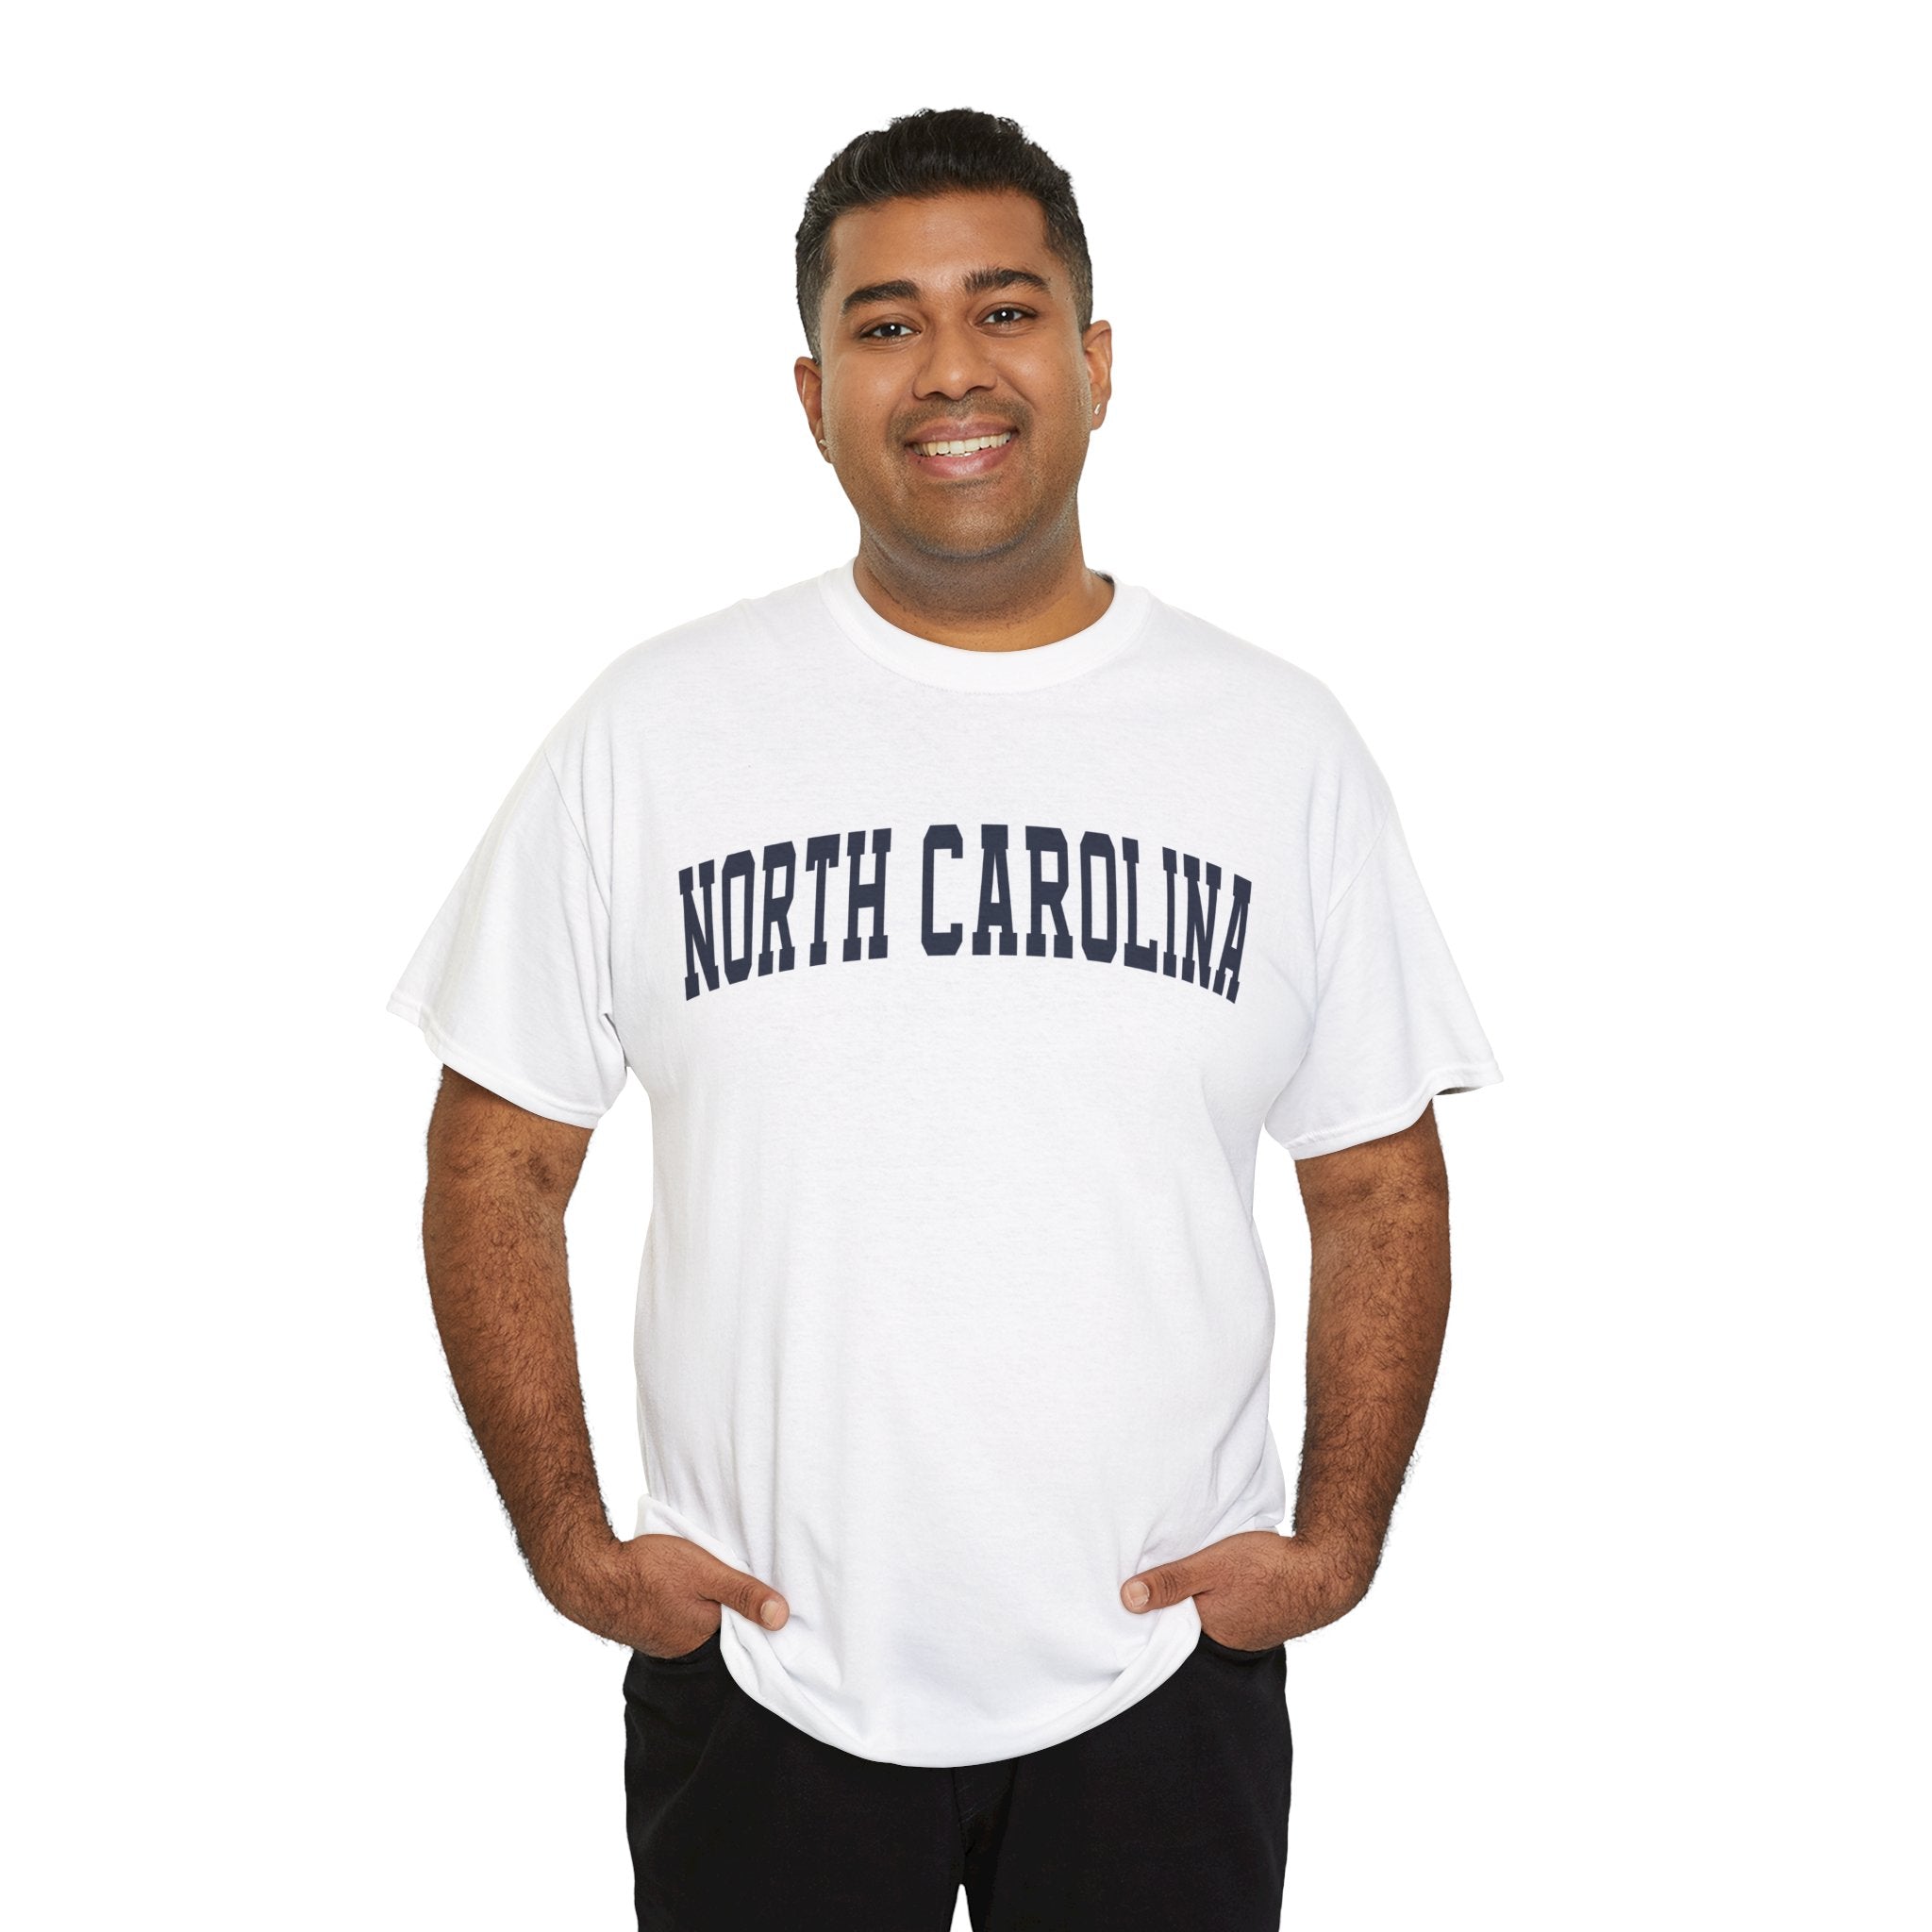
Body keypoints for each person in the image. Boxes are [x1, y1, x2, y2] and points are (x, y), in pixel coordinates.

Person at [388, 105, 1503, 1932]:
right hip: (762, 1668)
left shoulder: (1274, 743)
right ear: (812, 386)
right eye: (888, 323)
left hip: (1159, 1668)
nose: (950, 368)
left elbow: (1378, 1182)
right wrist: (574, 1545)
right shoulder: (652, 732)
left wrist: (1336, 1540)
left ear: (1095, 357)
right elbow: (494, 1161)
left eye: (1003, 306)